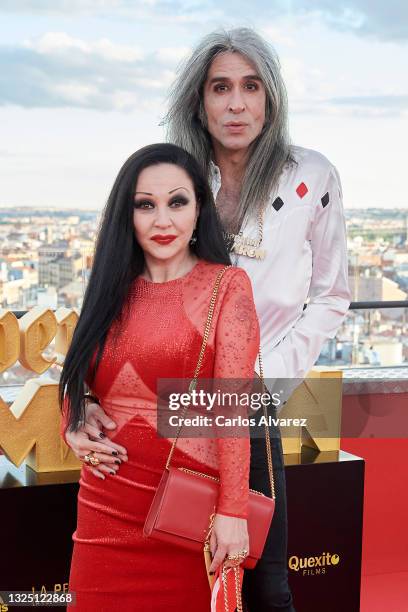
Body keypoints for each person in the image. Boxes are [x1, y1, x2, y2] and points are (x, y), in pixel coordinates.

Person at [64, 27, 351, 611]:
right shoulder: (175, 176)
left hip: (247, 399)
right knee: (179, 581)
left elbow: (331, 294)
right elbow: (116, 301)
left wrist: (267, 379)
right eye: (221, 87)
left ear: (271, 98)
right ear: (199, 100)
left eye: (251, 86)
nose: (236, 103)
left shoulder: (313, 175)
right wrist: (82, 399)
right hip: (166, 399)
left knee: (265, 583)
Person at [59, 143, 260, 611]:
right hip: (104, 510)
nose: (162, 220)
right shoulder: (111, 285)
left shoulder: (226, 287)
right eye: (145, 205)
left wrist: (233, 513)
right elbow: (75, 375)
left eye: (177, 202)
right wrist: (76, 415)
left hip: (187, 513)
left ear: (199, 210)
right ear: (126, 215)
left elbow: (230, 414)